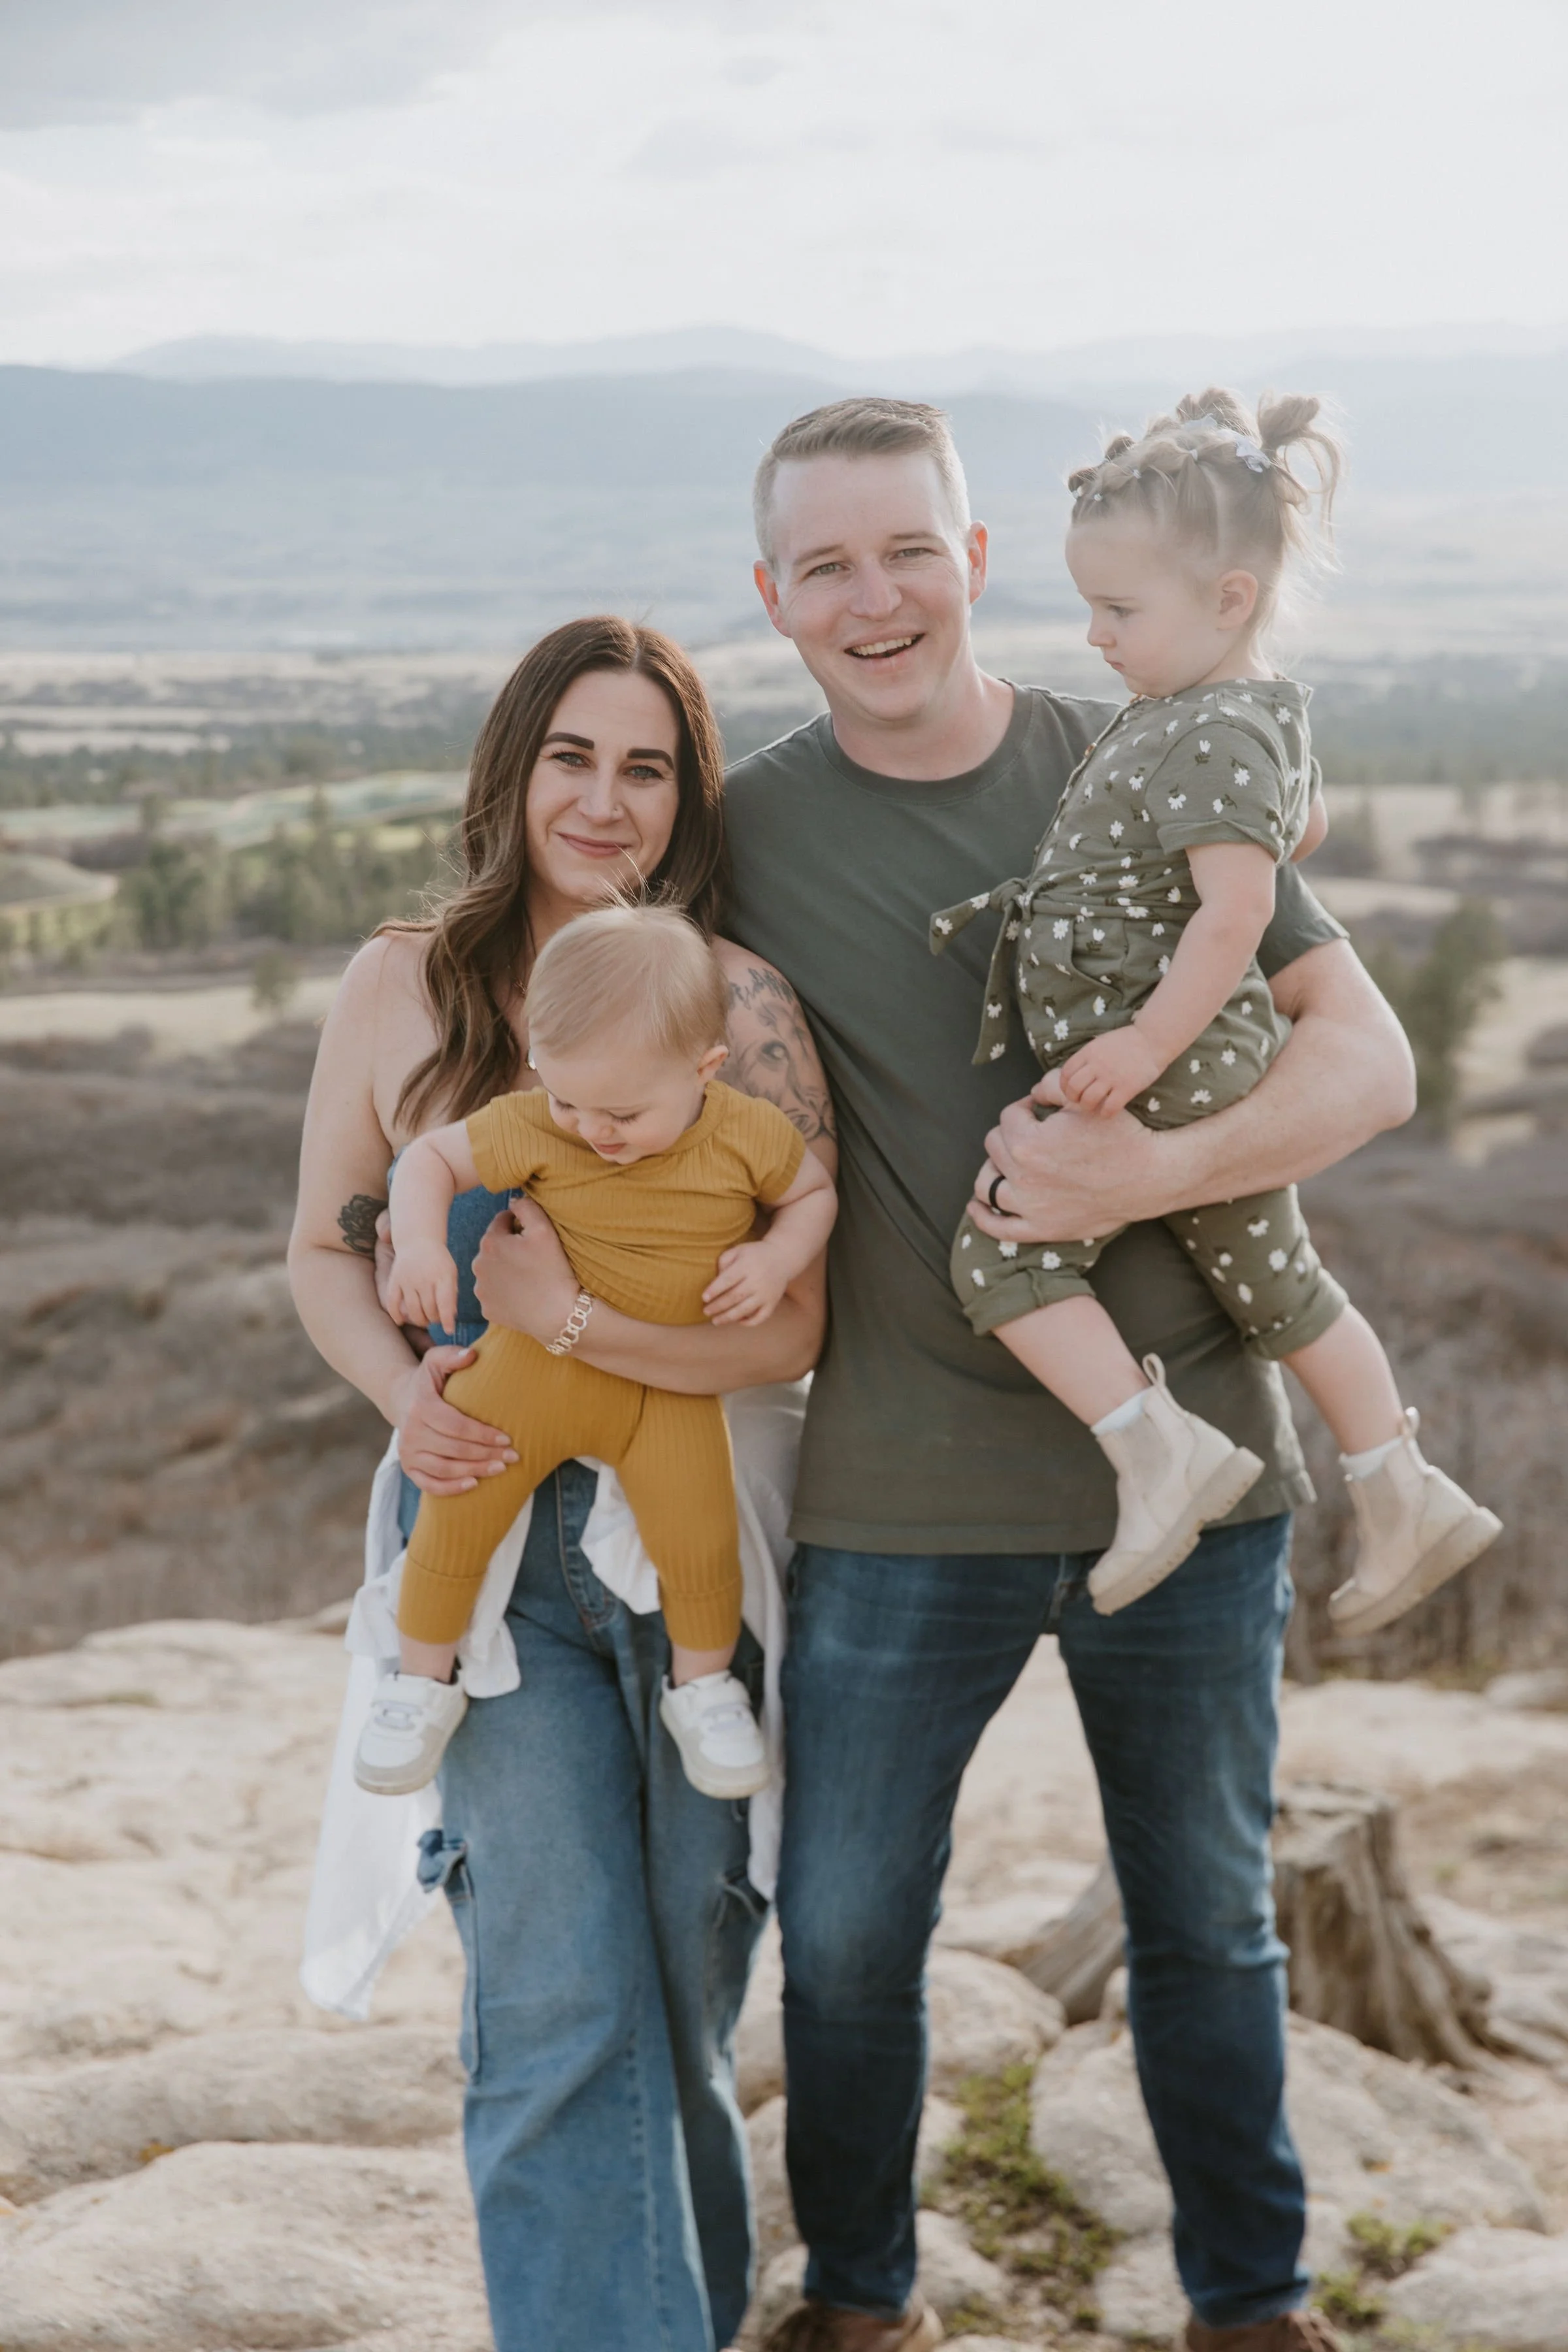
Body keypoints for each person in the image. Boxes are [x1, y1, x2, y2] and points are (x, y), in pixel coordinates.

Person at [451, 395, 1417, 2352]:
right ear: (774, 597)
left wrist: (1148, 1172)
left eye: (909, 549)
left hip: (1200, 1465)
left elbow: (1368, 1060)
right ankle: (863, 2303)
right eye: (826, 564)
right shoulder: (748, 840)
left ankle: (1252, 2306)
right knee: (848, 1936)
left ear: (974, 562)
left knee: (1207, 1922)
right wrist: (414, 1193)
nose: (874, 596)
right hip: (898, 1485)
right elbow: (580, 1014)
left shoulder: (1138, 749)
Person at [288, 614, 837, 2352]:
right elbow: (320, 1248)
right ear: (513, 772)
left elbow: (792, 1327)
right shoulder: (406, 986)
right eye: (573, 760)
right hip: (484, 1549)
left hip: (691, 1543)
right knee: (553, 2002)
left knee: (681, 1986)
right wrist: (411, 1402)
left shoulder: (735, 1004)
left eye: (647, 768)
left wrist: (577, 1324)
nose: (606, 802)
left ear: (688, 798)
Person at [932, 387, 1499, 1627]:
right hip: (1184, 1058)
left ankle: (1162, 1456)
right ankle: (1400, 1487)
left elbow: (1237, 915)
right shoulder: (1212, 715)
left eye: (1120, 611)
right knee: (1275, 1277)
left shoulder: (1210, 730)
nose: (1095, 636)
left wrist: (1142, 1042)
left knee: (1006, 1249)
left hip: (1174, 1064)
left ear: (1230, 599)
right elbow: (1299, 827)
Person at [362, 904, 836, 1799]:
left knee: (700, 1535)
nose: (592, 1130)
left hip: (665, 1388)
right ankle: (420, 1679)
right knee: (456, 1510)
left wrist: (776, 1257)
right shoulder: (542, 1126)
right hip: (530, 1370)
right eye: (567, 1099)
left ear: (706, 1069)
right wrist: (421, 1246)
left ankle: (703, 1687)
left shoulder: (745, 1132)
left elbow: (812, 1195)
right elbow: (428, 1161)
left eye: (622, 1111)